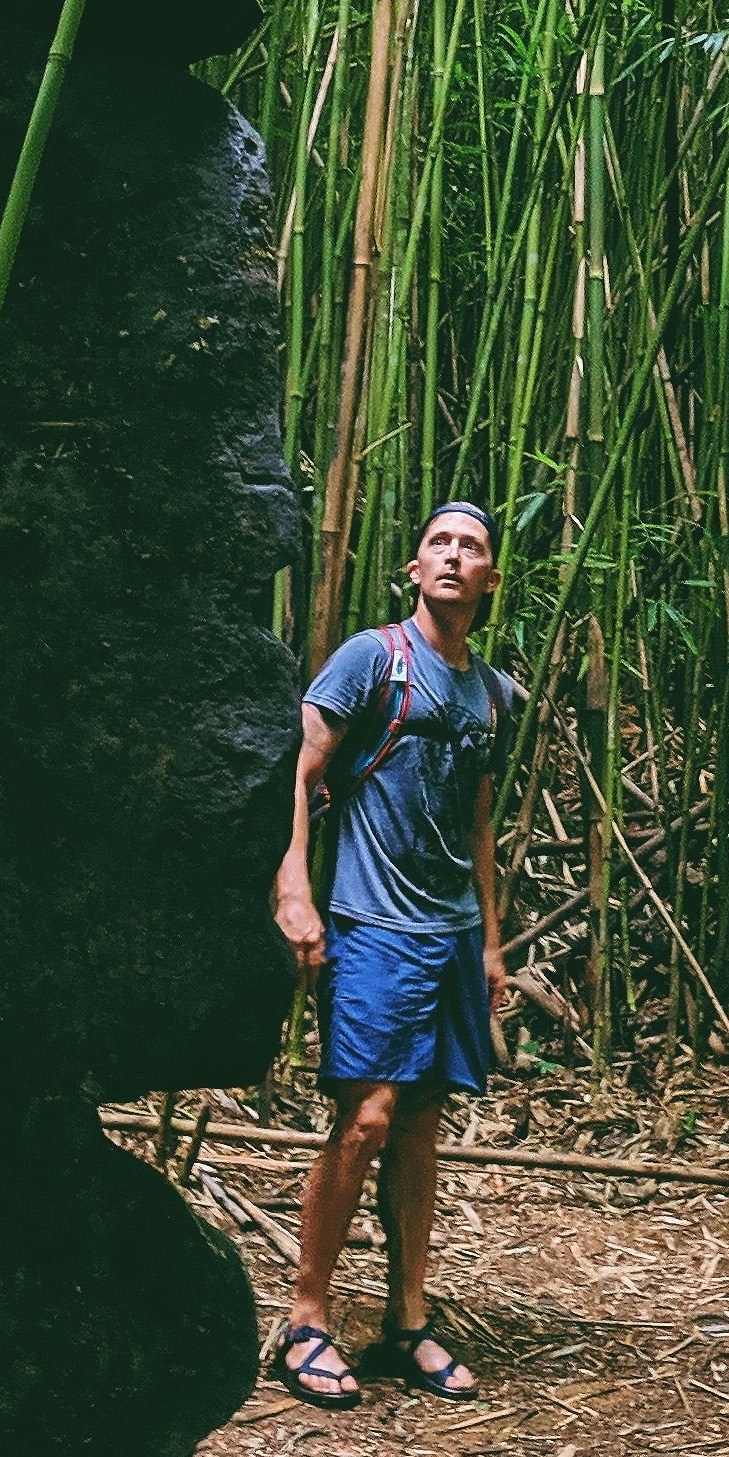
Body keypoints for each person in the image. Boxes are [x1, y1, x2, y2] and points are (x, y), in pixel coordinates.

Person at [268, 502, 515, 1407]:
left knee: (420, 1126)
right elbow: (300, 768)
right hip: (371, 923)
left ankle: (405, 1321)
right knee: (366, 1117)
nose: (454, 557)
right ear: (414, 569)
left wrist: (489, 942)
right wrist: (294, 884)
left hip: (448, 931)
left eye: (472, 548)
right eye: (439, 544)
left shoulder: (494, 693)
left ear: (490, 580)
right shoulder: (374, 659)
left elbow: (478, 821)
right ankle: (305, 1316)